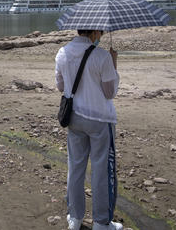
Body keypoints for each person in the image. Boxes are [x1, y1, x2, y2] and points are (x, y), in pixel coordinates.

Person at [55, 29, 122, 230]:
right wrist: (113, 64)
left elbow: (60, 86)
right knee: (101, 170)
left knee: (75, 167)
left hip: (74, 117)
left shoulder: (62, 52)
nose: (101, 34)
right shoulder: (102, 56)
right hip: (100, 119)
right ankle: (102, 222)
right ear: (94, 32)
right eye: (100, 31)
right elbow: (110, 93)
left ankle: (75, 218)